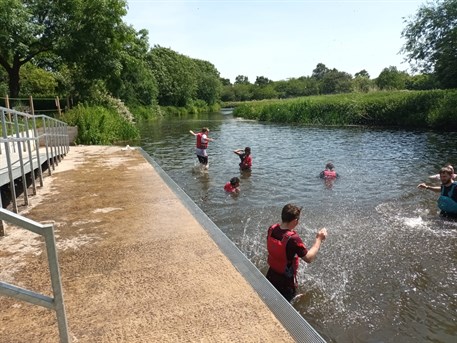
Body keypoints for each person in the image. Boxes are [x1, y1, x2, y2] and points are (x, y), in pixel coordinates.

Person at [266, 204, 328, 301]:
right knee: (289, 302)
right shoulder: (292, 239)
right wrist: (319, 239)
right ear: (295, 221)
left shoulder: (272, 229)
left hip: (271, 275)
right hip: (286, 282)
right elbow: (308, 258)